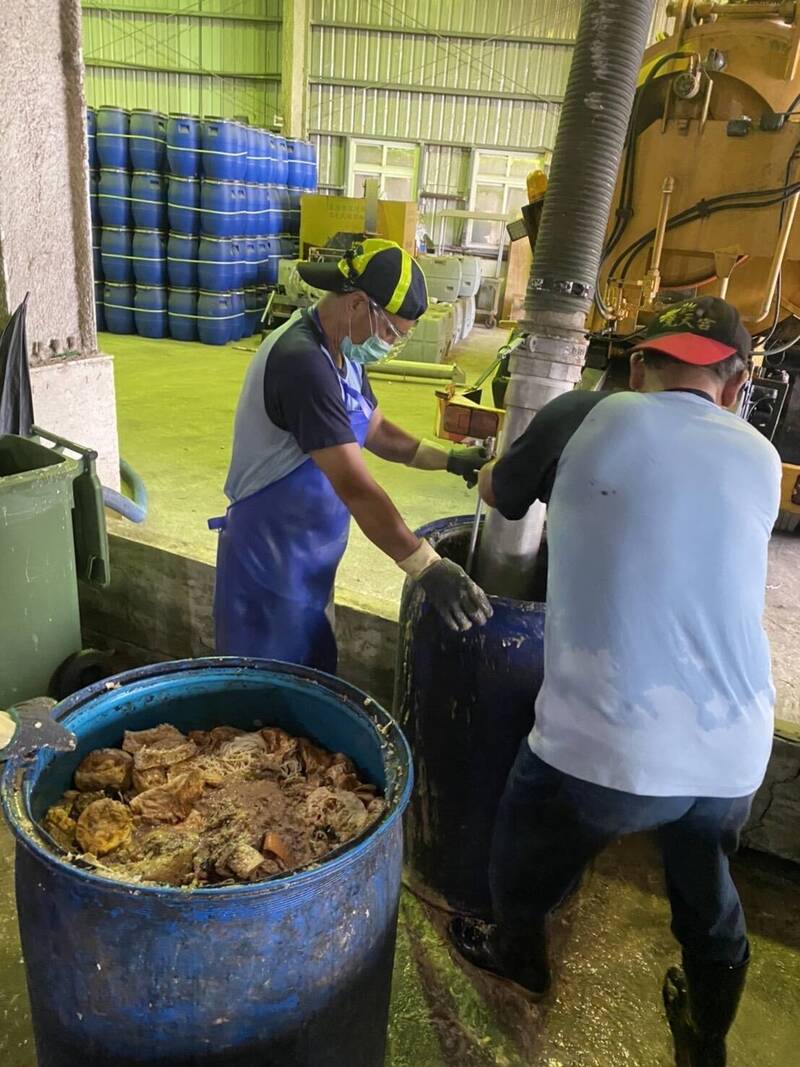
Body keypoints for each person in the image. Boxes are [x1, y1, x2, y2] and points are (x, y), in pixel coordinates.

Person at [448, 297, 781, 1067]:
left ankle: (518, 953)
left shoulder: (582, 416)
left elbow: (499, 494)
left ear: (638, 367)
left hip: (608, 744)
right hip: (735, 746)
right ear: (734, 387)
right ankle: (704, 1036)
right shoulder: (761, 457)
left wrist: (492, 459)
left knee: (522, 841)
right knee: (705, 886)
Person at [211, 238, 492, 672]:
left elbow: (375, 429)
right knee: (263, 704)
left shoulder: (344, 351)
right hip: (270, 564)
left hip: (310, 563)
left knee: (311, 684)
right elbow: (356, 488)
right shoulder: (303, 363)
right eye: (391, 332)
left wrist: (449, 459)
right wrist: (427, 566)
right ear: (358, 304)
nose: (391, 345)